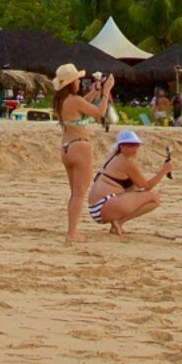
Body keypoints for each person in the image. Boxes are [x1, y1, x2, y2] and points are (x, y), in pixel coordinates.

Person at [52, 65, 115, 245]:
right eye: (77, 80)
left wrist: (95, 92)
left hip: (67, 147)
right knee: (79, 194)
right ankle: (72, 233)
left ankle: (72, 231)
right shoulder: (74, 100)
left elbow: (82, 106)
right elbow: (100, 113)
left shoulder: (62, 102)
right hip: (80, 147)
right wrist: (106, 92)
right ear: (71, 83)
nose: (79, 82)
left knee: (75, 194)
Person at [86, 128, 172, 232]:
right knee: (154, 198)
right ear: (121, 146)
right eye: (131, 146)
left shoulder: (114, 156)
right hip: (104, 206)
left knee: (135, 189)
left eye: (136, 145)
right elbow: (146, 186)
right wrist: (164, 170)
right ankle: (119, 222)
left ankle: (117, 222)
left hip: (96, 207)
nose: (135, 149)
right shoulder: (125, 163)